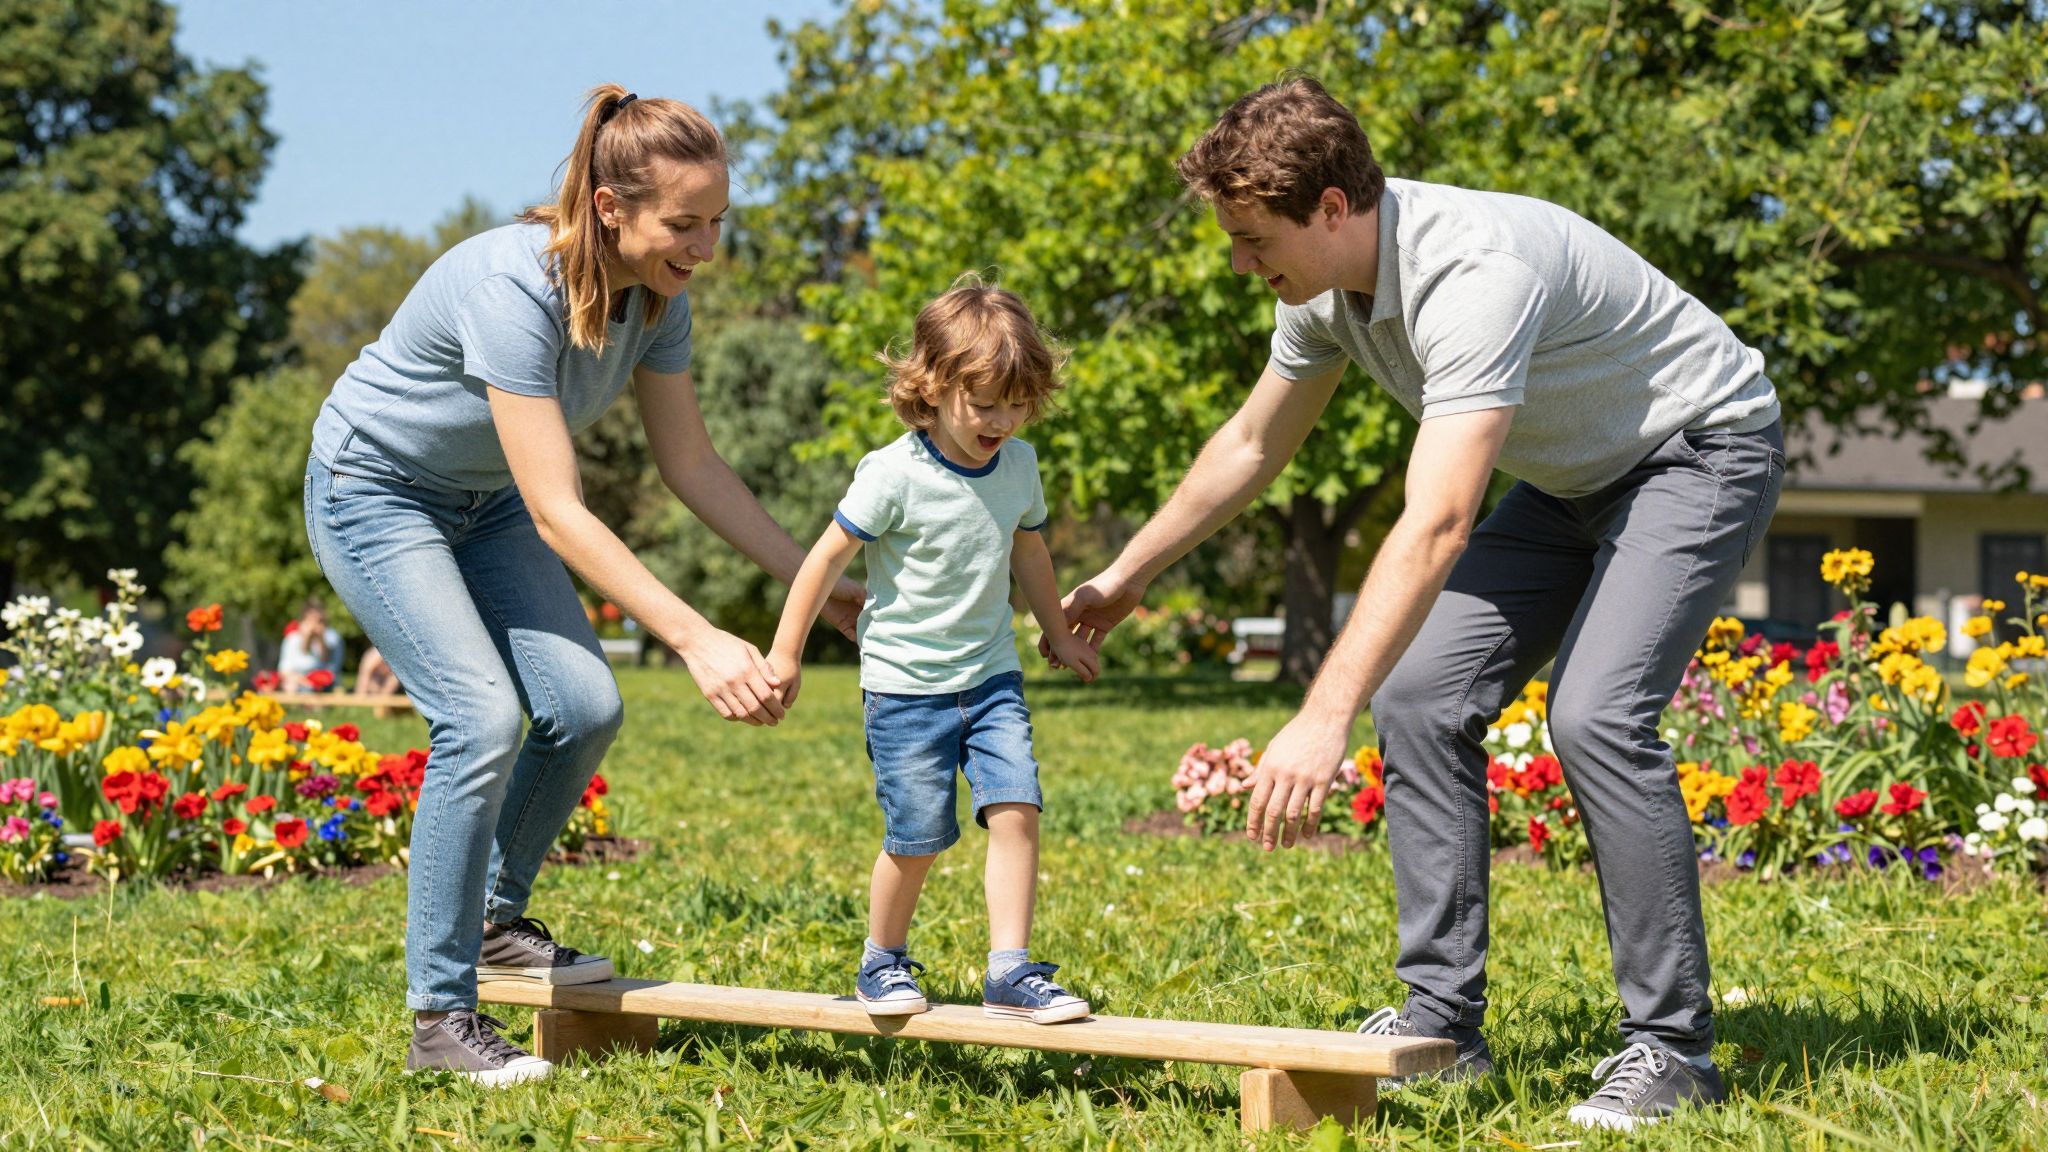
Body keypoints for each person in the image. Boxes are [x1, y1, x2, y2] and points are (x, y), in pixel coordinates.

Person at [1058, 77, 1783, 1131]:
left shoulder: (1471, 272)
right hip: (1573, 482)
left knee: (1593, 716)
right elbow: (1253, 444)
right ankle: (1441, 1026)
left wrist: (1317, 714)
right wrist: (1126, 574)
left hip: (1699, 450)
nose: (1238, 262)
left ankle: (1671, 1050)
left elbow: (1438, 521)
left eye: (1253, 238)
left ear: (1333, 210)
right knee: (1418, 701)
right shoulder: (1320, 294)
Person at [303, 84, 862, 1086]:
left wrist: (825, 589)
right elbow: (561, 509)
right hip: (376, 491)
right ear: (611, 209)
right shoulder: (514, 286)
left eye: (716, 222)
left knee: (584, 706)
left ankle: (491, 922)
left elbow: (692, 469)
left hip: (489, 506)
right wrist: (695, 638)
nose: (704, 246)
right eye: (682, 224)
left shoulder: (656, 301)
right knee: (477, 719)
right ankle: (439, 1017)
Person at [769, 277, 1100, 1024]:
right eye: (985, 402)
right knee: (916, 838)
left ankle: (1010, 970)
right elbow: (821, 562)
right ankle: (881, 960)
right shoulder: (893, 474)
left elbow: (1032, 552)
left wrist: (1057, 630)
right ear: (933, 385)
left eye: (1018, 403)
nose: (1002, 420)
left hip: (991, 680)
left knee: (1017, 807)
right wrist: (786, 653)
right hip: (905, 689)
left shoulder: (1019, 466)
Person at [276, 599, 344, 692]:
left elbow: (331, 670)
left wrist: (320, 639)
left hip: (324, 684)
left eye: (318, 621)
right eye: (310, 621)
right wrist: (306, 639)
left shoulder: (332, 638)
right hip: (297, 683)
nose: (314, 626)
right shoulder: (292, 639)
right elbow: (284, 671)